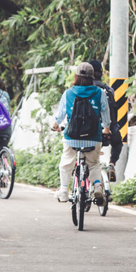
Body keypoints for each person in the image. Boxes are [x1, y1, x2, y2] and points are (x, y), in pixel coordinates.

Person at [51, 62, 112, 204]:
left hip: (71, 138)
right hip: (94, 137)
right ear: (92, 76)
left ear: (76, 76)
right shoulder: (99, 93)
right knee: (94, 164)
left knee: (66, 163)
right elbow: (105, 114)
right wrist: (106, 128)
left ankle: (64, 191)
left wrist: (55, 126)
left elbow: (60, 115)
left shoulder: (68, 93)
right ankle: (97, 186)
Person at [88, 60, 125, 182]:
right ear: (101, 73)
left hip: (87, 132)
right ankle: (112, 164)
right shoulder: (108, 90)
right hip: (107, 132)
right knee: (118, 143)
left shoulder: (82, 89)